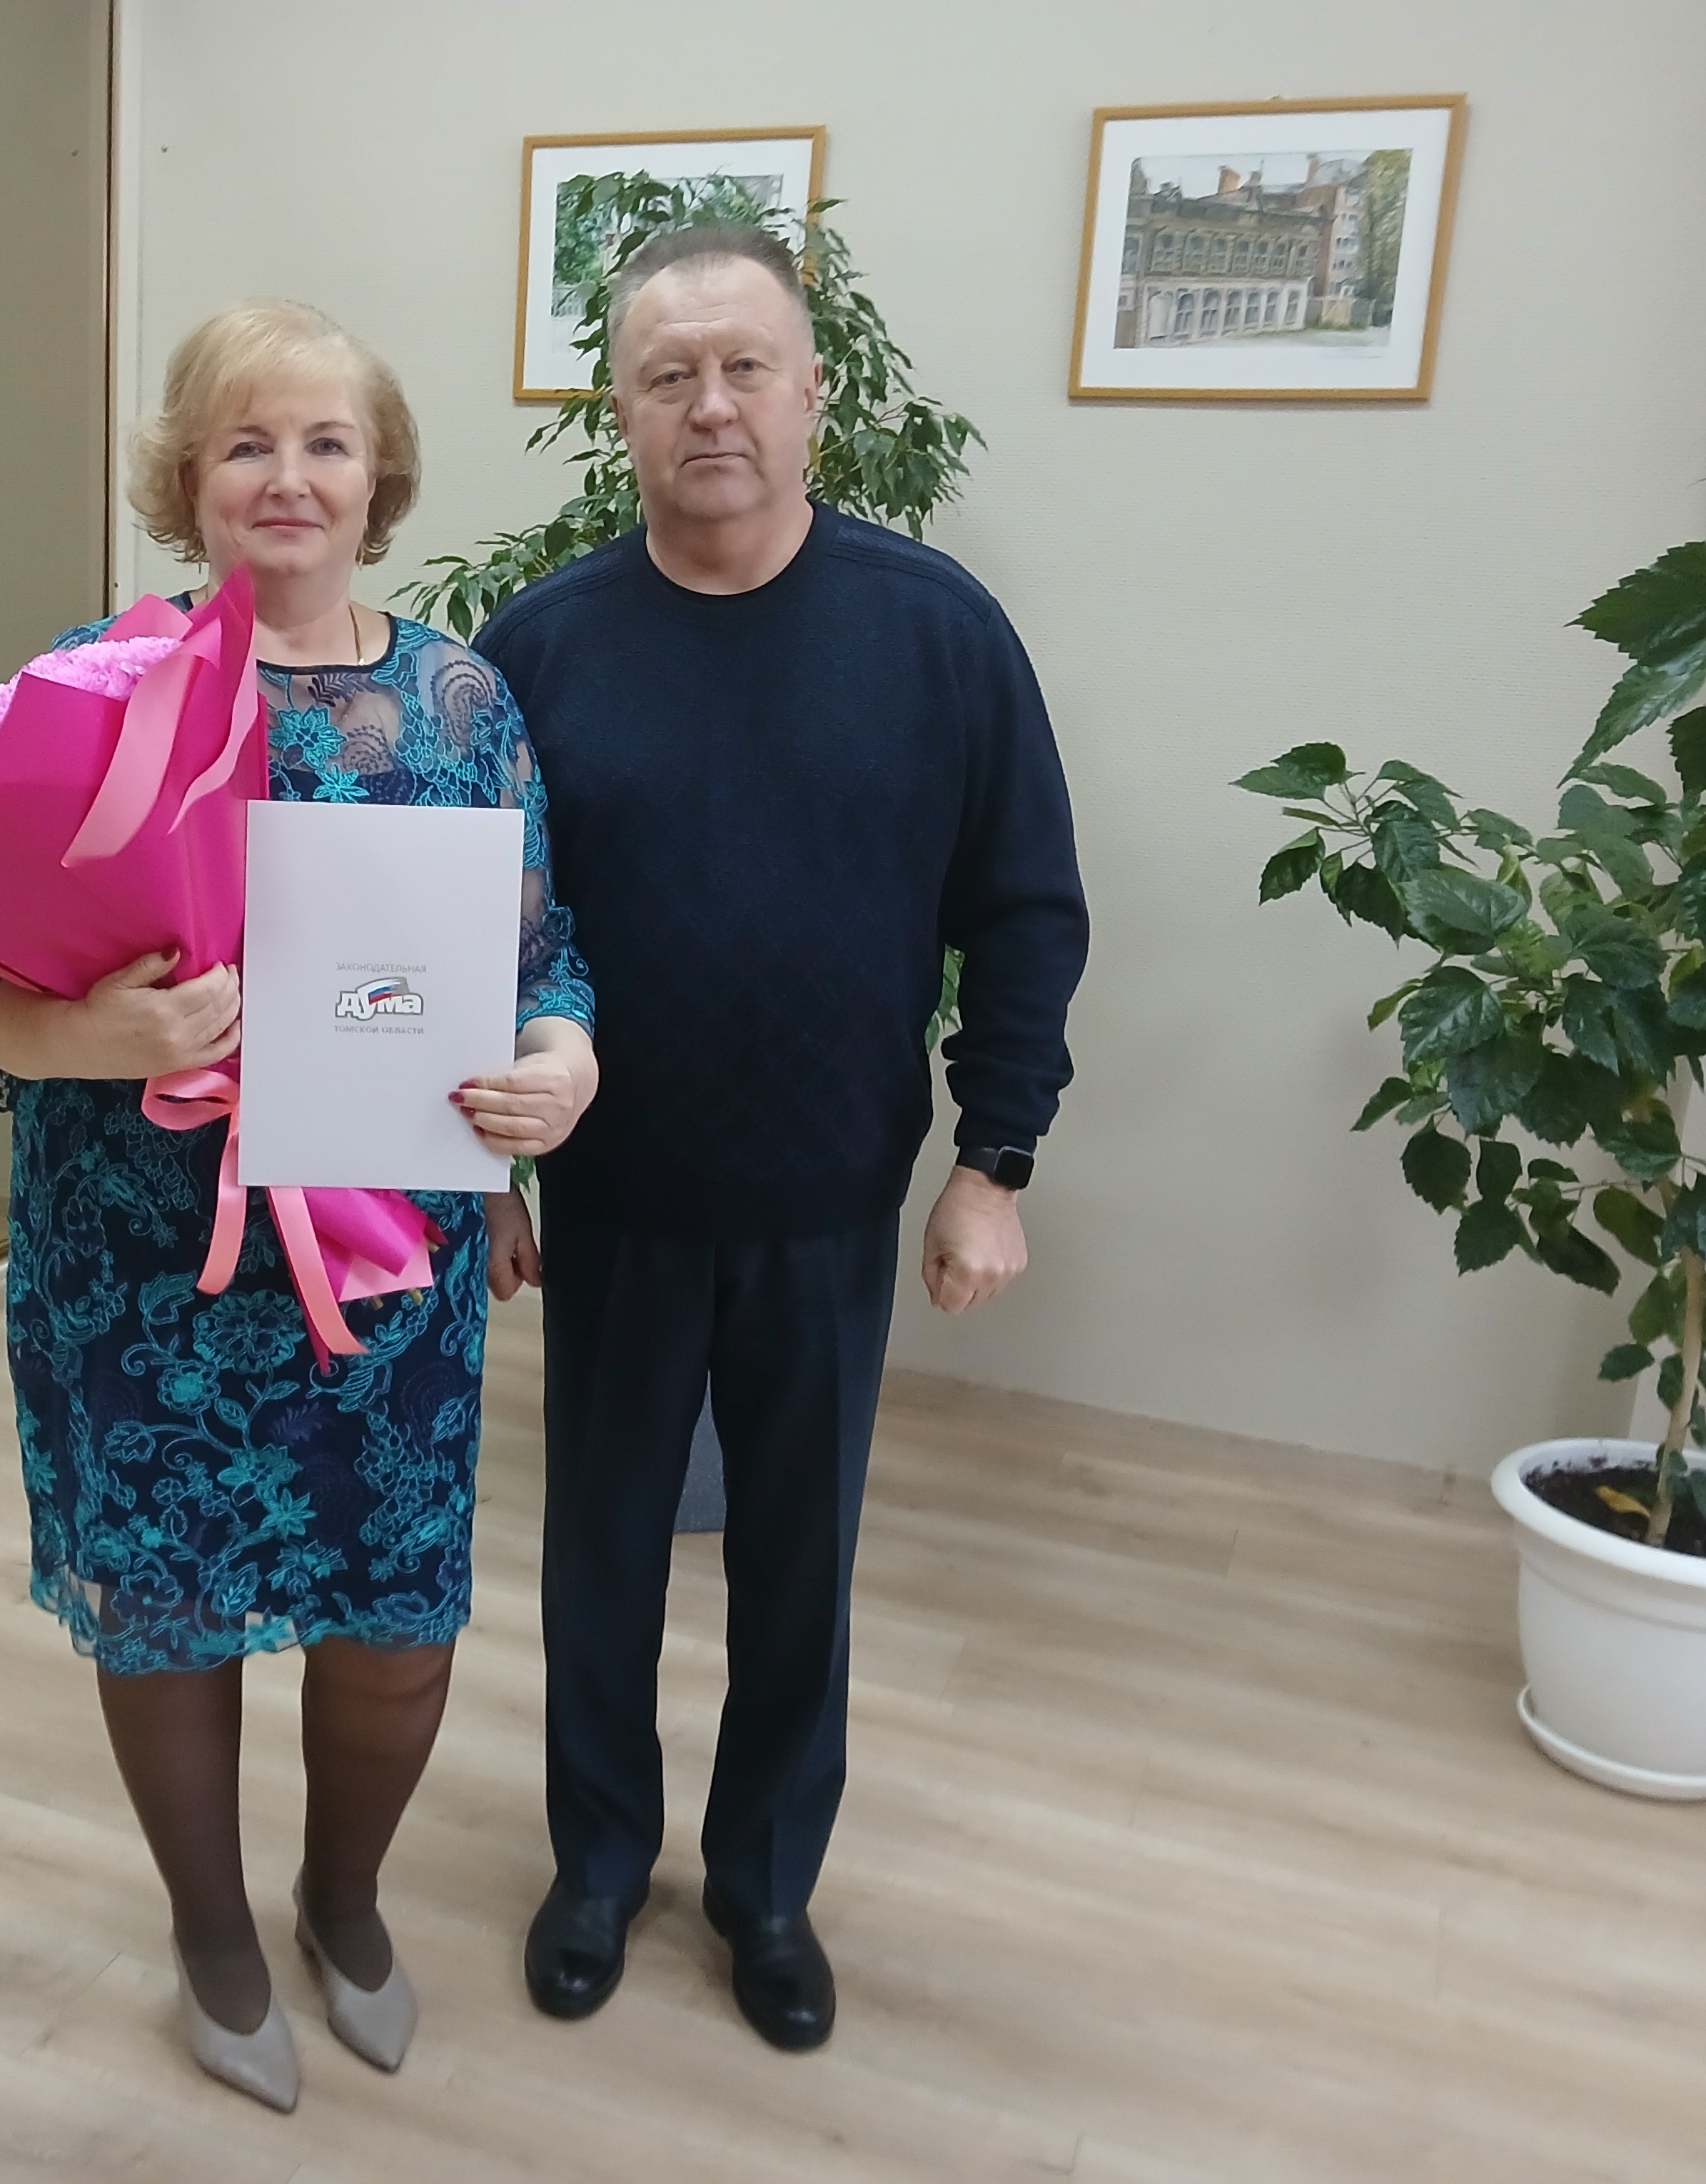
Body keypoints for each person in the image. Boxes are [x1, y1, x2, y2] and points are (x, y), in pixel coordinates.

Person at [0, 300, 599, 2111]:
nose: (286, 477)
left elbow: (543, 953)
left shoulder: (462, 701)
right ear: (187, 479)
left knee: (394, 1630)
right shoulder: (93, 690)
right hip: (144, 1268)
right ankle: (212, 1929)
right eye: (246, 444)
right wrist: (96, 1032)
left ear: (378, 480)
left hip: (389, 1274)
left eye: (324, 443)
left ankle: (343, 1898)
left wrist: (559, 1066)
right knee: (172, 1618)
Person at [475, 223, 1088, 2053]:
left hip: (830, 1196)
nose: (712, 405)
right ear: (620, 410)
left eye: (747, 366)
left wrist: (995, 1160)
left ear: (814, 393)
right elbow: (473, 931)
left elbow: (1026, 910)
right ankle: (600, 1865)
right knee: (601, 1556)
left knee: (797, 1571)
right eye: (669, 375)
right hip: (612, 1201)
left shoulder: (935, 632)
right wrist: (483, 1170)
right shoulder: (538, 652)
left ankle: (763, 1889)